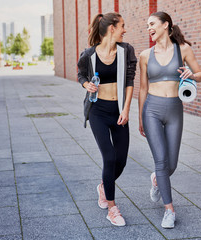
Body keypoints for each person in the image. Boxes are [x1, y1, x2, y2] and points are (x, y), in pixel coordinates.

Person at [138, 11, 201, 229]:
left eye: (152, 24)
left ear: (165, 25)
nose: (149, 28)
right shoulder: (145, 55)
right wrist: (140, 117)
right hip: (152, 111)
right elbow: (143, 88)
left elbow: (200, 74)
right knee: (160, 161)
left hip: (175, 109)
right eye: (148, 25)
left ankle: (157, 179)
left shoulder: (182, 49)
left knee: (171, 164)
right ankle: (169, 210)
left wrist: (191, 74)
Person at [77, 12, 137, 227]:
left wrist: (127, 109)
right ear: (112, 28)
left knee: (121, 160)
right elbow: (81, 75)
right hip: (98, 111)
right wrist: (86, 85)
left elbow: (130, 80)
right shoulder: (89, 54)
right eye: (122, 25)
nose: (125, 29)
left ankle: (104, 186)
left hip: (119, 110)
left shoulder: (126, 50)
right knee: (109, 157)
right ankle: (112, 207)